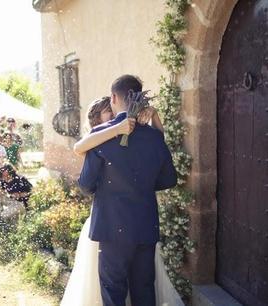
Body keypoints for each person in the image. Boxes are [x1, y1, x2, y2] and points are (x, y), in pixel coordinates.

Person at [78, 75, 177, 306]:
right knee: (144, 289)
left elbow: (85, 185)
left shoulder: (101, 136)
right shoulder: (154, 136)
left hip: (112, 229)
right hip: (145, 226)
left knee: (113, 293)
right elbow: (169, 179)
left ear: (114, 97)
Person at [61, 95, 163, 305]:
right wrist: (116, 130)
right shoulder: (98, 138)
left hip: (123, 223)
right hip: (110, 221)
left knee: (128, 284)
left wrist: (154, 116)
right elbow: (79, 148)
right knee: (109, 284)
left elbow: (159, 146)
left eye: (112, 108)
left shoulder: (134, 134)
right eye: (109, 111)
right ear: (97, 119)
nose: (115, 114)